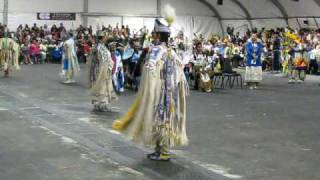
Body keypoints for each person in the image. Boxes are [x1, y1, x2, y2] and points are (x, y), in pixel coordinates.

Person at [112, 5, 189, 161]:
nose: (153, 36)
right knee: (163, 120)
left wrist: (150, 84)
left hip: (160, 93)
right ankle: (160, 149)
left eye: (155, 34)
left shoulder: (156, 50)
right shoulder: (171, 51)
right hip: (170, 93)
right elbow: (181, 71)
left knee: (159, 119)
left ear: (158, 35)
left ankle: (163, 151)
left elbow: (150, 67)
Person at [90, 31, 117, 111]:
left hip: (103, 69)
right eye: (105, 37)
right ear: (102, 38)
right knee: (103, 85)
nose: (106, 38)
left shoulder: (101, 47)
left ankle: (101, 103)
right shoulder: (100, 48)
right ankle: (102, 103)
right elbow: (103, 60)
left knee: (104, 85)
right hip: (102, 69)